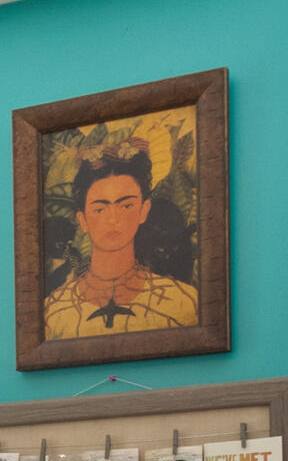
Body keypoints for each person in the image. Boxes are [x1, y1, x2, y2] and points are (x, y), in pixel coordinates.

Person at [41, 144, 200, 340]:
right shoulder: (53, 312)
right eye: (100, 209)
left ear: (144, 210)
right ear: (82, 220)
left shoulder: (183, 301)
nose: (113, 219)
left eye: (126, 206)